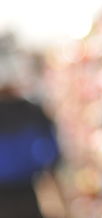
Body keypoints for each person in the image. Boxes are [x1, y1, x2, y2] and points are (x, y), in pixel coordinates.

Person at [0, 34, 60, 218]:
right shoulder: (30, 108)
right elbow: (51, 142)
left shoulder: (29, 109)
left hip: (19, 182)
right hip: (26, 179)